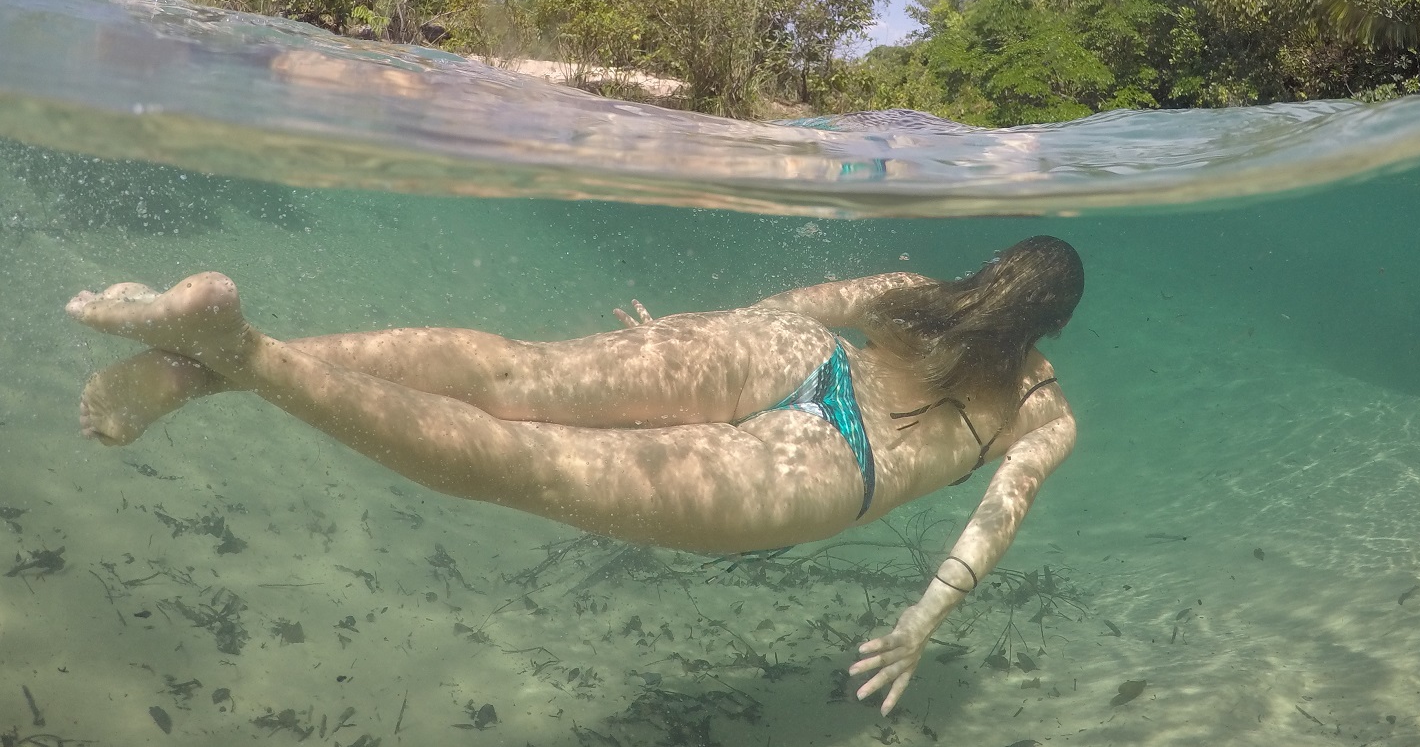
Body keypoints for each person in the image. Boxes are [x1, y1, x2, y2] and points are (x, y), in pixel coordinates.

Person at [66, 235, 1083, 715]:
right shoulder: (1043, 409)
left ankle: (198, 369)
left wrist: (701, 338)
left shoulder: (911, 289)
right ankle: (241, 353)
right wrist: (917, 629)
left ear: (989, 272)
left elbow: (803, 302)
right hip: (826, 465)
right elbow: (992, 521)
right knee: (525, 463)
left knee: (512, 370)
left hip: (781, 352)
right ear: (1047, 324)